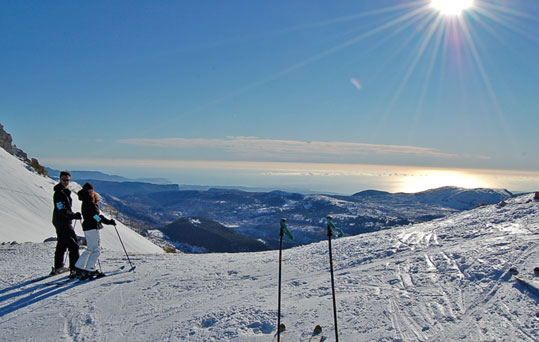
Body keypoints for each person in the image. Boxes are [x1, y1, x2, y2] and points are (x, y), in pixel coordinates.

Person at [74, 182, 115, 280]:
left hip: (87, 227)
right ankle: (90, 269)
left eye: (92, 190)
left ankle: (80, 267)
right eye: (90, 191)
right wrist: (108, 222)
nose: (91, 192)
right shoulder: (89, 202)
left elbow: (95, 216)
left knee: (90, 249)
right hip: (92, 227)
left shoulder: (85, 200)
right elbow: (96, 216)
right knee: (95, 250)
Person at [51, 171, 82, 276]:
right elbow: (61, 209)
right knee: (73, 245)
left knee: (62, 243)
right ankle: (75, 269)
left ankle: (58, 266)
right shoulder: (59, 193)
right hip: (62, 221)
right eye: (64, 180)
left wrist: (71, 215)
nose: (66, 182)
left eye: (67, 180)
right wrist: (73, 215)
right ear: (60, 179)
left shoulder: (64, 191)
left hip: (61, 220)